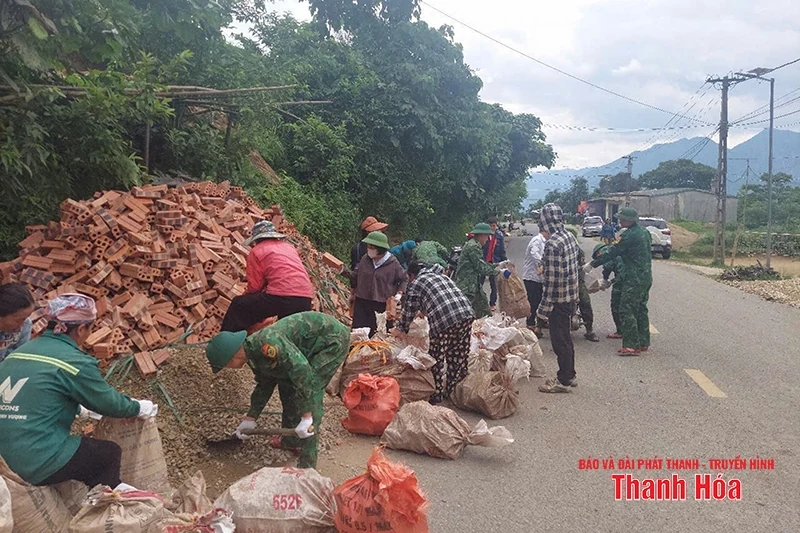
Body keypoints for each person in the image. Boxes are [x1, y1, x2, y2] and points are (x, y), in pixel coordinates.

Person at [0, 294, 157, 488]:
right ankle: (105, 506)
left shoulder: (18, 354)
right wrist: (137, 407)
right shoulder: (74, 361)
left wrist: (79, 409)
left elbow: (34, 397)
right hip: (31, 461)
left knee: (79, 454)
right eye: (91, 328)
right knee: (108, 454)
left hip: (3, 460)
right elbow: (108, 403)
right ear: (81, 329)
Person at [205, 312, 349, 469]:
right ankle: (291, 441)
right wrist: (250, 418)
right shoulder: (253, 354)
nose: (229, 369)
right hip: (307, 345)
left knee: (311, 390)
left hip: (331, 341)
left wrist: (306, 415)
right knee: (286, 387)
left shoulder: (268, 344)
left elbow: (303, 373)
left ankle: (307, 467)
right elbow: (264, 385)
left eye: (225, 366)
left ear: (231, 359)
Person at [394, 261, 475, 404]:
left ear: (412, 275)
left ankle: (436, 394)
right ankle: (454, 391)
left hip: (444, 319)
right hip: (466, 313)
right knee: (458, 354)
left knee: (437, 357)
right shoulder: (441, 276)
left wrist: (401, 328)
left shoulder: (417, 282)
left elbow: (409, 311)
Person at [221, 221, 313, 333]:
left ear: (257, 239)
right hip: (306, 298)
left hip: (283, 296)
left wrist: (246, 297)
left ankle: (226, 342)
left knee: (239, 305)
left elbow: (255, 286)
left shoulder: (257, 251)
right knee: (287, 333)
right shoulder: (289, 247)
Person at [588, 207, 652, 355]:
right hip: (646, 277)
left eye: (622, 218)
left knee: (627, 308)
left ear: (630, 220)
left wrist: (592, 264)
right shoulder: (645, 232)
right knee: (641, 309)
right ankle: (643, 341)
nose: (620, 220)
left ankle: (631, 345)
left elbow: (613, 251)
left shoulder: (629, 235)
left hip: (633, 278)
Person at [536, 204, 580, 393]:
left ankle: (563, 380)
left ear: (545, 220)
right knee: (566, 338)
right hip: (570, 295)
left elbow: (552, 281)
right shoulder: (569, 236)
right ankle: (570, 374)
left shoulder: (552, 243)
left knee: (559, 340)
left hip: (559, 299)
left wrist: (543, 310)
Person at [344, 231, 408, 336]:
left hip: (381, 305)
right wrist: (344, 272)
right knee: (357, 333)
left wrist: (399, 294)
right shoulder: (365, 259)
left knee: (378, 334)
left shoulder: (393, 263)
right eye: (368, 247)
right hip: (362, 302)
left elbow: (404, 279)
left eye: (371, 247)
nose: (369, 249)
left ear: (379, 249)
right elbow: (356, 276)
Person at [455, 223, 502, 318]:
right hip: (467, 286)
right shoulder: (473, 247)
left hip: (474, 285)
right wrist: (499, 271)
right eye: (487, 236)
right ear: (481, 235)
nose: (487, 239)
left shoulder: (474, 244)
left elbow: (481, 263)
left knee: (485, 311)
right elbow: (481, 267)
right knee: (465, 314)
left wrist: (497, 266)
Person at [522, 224, 548, 338]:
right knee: (533, 301)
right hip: (531, 276)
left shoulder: (544, 241)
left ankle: (538, 322)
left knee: (539, 300)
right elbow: (534, 253)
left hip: (538, 277)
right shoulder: (537, 240)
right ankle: (530, 324)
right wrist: (543, 263)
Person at [0, 283, 34, 363]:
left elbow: (19, 355)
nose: (21, 325)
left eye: (24, 319)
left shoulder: (25, 325)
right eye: (18, 320)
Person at [482, 216, 507, 311]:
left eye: (494, 226)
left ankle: (492, 303)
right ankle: (479, 303)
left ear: (496, 226)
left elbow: (501, 250)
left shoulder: (499, 236)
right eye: (490, 226)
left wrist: (504, 261)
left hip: (494, 262)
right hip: (483, 262)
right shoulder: (483, 235)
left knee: (494, 285)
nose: (492, 228)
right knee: (479, 283)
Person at [577, 247, 600, 342]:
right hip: (561, 281)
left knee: (585, 302)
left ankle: (589, 330)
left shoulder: (577, 250)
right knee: (549, 300)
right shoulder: (553, 248)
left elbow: (583, 265)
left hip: (578, 282)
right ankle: (539, 327)